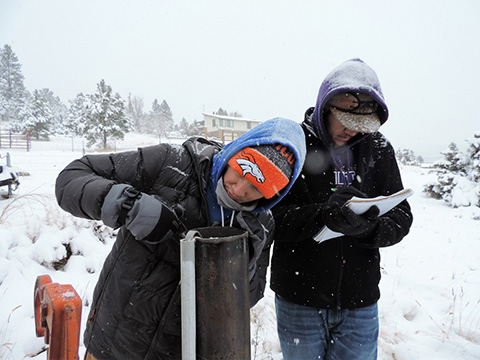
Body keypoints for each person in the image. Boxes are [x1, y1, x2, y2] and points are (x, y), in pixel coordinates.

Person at [55, 117, 306, 360]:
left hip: (185, 350)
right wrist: (129, 206)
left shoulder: (262, 225)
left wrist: (243, 266)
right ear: (236, 151)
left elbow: (249, 297)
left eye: (255, 188)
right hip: (115, 339)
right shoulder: (171, 164)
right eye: (241, 173)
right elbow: (72, 178)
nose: (239, 190)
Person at [270, 58, 413, 359]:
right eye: (347, 123)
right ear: (326, 107)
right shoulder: (291, 144)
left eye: (362, 125)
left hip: (359, 303)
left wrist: (370, 228)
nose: (354, 132)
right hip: (300, 300)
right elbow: (270, 219)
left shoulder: (380, 148)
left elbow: (401, 216)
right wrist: (322, 215)